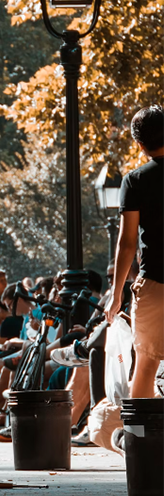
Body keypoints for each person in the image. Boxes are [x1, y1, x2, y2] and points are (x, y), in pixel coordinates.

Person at [106, 105, 163, 398]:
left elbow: (127, 242)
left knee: (146, 365)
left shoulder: (135, 180)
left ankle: (141, 440)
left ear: (139, 144)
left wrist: (116, 295)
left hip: (155, 284)